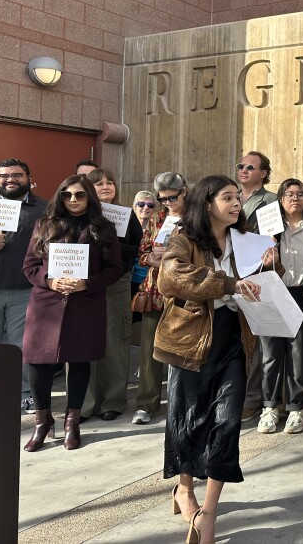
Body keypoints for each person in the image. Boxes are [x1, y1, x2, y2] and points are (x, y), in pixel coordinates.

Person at [155, 175, 264, 544]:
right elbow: (170, 277)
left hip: (234, 338)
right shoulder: (184, 239)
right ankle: (184, 489)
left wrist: (271, 264)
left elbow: (260, 285)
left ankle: (210, 511)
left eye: (238, 198)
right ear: (206, 203)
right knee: (189, 418)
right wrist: (227, 283)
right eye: (228, 197)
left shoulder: (246, 240)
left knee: (227, 423)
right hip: (192, 340)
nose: (237, 203)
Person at [20, 175, 122, 451]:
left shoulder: (104, 228)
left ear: (90, 197)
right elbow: (29, 265)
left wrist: (86, 284)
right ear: (60, 197)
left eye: (80, 195)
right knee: (37, 362)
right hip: (45, 304)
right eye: (67, 195)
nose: (73, 200)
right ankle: (42, 422)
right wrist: (50, 281)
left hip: (84, 304)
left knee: (79, 361)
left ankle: (71, 423)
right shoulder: (44, 225)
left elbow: (114, 269)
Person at [0, 158, 47, 411]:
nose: (10, 180)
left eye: (17, 175)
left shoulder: (42, 208)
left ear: (28, 177)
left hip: (25, 290)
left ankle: (25, 392)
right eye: (4, 176)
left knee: (23, 346)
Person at [256, 178, 303, 435]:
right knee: (271, 354)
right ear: (281, 200)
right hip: (274, 292)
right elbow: (252, 259)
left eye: (300, 194)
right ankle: (270, 408)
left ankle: (296, 409)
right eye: (289, 194)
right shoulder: (268, 228)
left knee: (298, 353)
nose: (294, 198)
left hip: (302, 295)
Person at [81, 168, 144, 421]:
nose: (106, 186)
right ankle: (83, 403)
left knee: (115, 341)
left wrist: (112, 245)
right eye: (99, 184)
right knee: (83, 342)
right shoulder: (79, 214)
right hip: (83, 285)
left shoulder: (126, 216)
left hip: (117, 283)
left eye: (110, 183)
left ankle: (112, 401)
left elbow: (138, 247)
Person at [132, 171, 188, 425]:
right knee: (149, 352)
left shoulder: (196, 218)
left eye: (172, 197)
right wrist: (151, 258)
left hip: (184, 292)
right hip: (154, 290)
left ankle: (182, 402)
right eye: (162, 198)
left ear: (184, 191)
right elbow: (142, 251)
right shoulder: (156, 219)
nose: (167, 202)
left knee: (182, 351)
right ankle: (146, 403)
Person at [235, 150, 279, 422]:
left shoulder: (270, 201)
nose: (244, 171)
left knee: (257, 344)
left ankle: (252, 401)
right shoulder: (230, 196)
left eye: (250, 167)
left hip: (257, 275)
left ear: (263, 173)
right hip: (230, 275)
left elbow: (273, 238)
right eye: (241, 166)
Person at [130, 191, 156, 321]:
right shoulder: (127, 228)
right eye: (141, 204)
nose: (145, 208)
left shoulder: (158, 230)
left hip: (150, 282)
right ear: (134, 207)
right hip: (129, 280)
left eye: (150, 205)